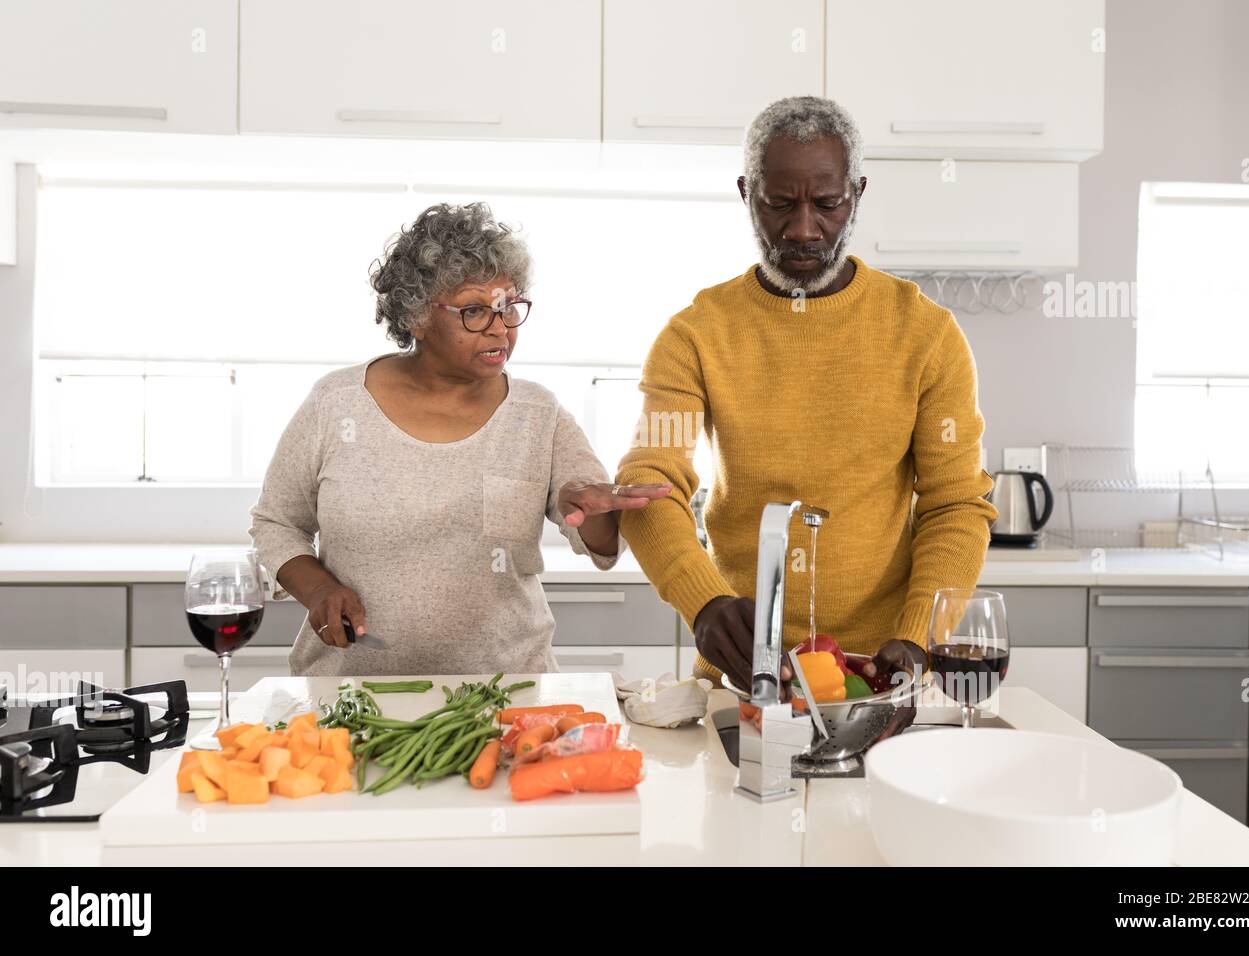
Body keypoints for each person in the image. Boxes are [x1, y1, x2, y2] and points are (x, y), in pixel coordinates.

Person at [616, 97, 997, 732]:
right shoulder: (695, 336)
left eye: (826, 204)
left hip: (881, 680)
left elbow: (956, 504)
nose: (801, 229)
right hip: (741, 681)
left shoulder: (926, 335)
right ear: (745, 193)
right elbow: (649, 483)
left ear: (857, 194)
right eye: (778, 202)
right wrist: (704, 602)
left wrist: (919, 635)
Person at [250, 201, 670, 676]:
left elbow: (598, 540)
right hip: (351, 695)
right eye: (474, 310)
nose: (500, 327)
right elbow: (277, 523)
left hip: (505, 695)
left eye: (509, 306)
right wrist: (319, 590)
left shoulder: (538, 413)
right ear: (416, 316)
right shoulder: (336, 403)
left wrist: (591, 511)